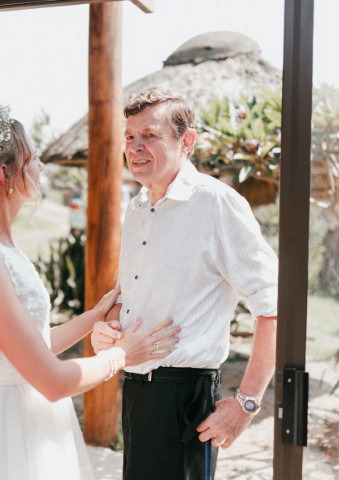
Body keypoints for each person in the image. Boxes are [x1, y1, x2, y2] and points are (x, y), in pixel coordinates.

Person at [0, 105, 180, 480]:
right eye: (33, 160)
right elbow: (53, 381)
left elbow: (32, 346)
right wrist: (122, 354)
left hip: (23, 418)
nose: (41, 168)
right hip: (2, 430)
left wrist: (93, 316)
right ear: (5, 175)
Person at [91, 88, 278, 480]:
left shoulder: (216, 203)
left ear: (186, 141)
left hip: (185, 400)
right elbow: (132, 294)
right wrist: (109, 325)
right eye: (130, 136)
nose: (135, 147)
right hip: (135, 391)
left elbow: (274, 304)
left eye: (150, 135)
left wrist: (246, 404)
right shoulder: (137, 207)